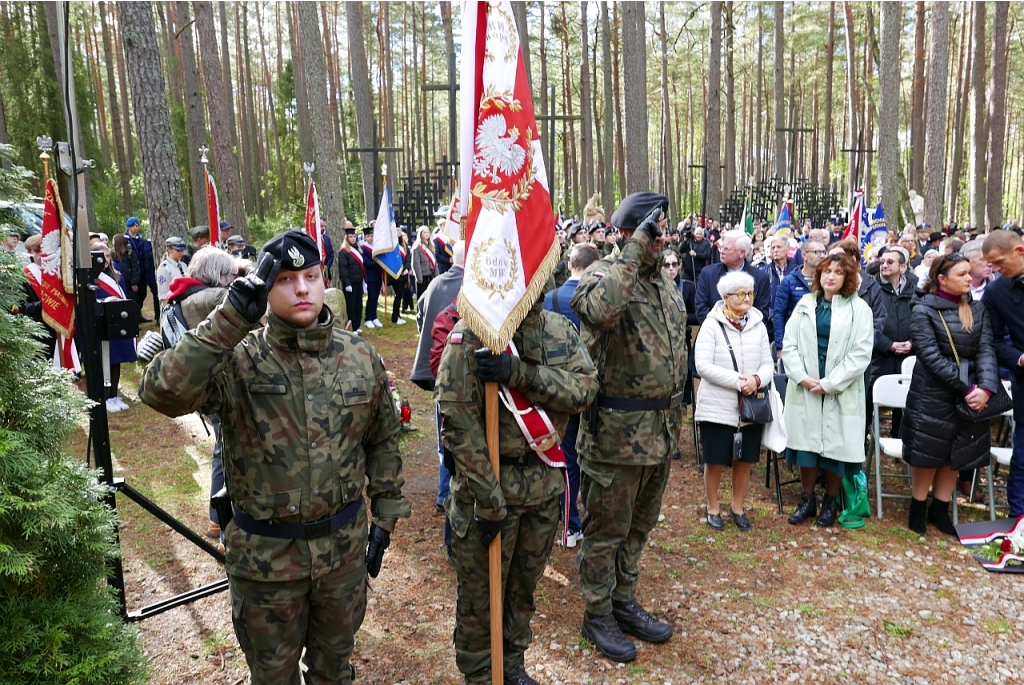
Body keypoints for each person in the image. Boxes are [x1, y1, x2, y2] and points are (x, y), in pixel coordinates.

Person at [139, 230, 410, 685]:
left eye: (310, 275)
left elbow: (382, 439)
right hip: (266, 565)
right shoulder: (238, 356)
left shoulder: (359, 355)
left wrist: (385, 517)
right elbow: (160, 391)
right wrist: (228, 320)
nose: (302, 288)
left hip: (342, 556)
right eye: (285, 279)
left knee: (334, 672)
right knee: (272, 677)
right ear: (266, 287)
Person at [437, 288, 597, 685]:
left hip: (542, 487)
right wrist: (489, 499)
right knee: (480, 599)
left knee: (522, 592)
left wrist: (521, 375)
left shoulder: (559, 330)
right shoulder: (470, 335)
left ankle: (512, 666)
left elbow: (585, 390)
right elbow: (458, 426)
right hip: (486, 493)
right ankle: (479, 674)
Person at [572, 192, 687, 663]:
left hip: (658, 435)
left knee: (638, 528)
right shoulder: (603, 274)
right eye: (654, 232)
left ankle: (623, 600)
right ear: (631, 234)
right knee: (606, 530)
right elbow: (598, 311)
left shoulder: (664, 282)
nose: (663, 240)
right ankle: (596, 612)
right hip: (614, 438)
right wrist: (633, 249)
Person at [901, 254, 998, 536]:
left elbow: (986, 350)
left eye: (969, 273)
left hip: (972, 394)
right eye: (962, 274)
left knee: (959, 449)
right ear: (942, 279)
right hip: (933, 392)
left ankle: (940, 509)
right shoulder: (923, 308)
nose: (970, 278)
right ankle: (918, 507)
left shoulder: (976, 310)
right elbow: (929, 355)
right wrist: (967, 387)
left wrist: (986, 389)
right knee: (929, 451)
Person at [781, 253, 873, 527]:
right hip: (807, 386)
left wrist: (830, 384)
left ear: (847, 278)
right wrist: (804, 379)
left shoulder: (859, 309)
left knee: (836, 447)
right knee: (806, 446)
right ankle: (807, 499)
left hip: (840, 389)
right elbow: (790, 345)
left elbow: (860, 353)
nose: (830, 276)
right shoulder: (806, 305)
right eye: (826, 271)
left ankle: (830, 501)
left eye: (838, 272)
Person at [165, 246, 242, 542]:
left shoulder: (181, 295)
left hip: (201, 384)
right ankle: (223, 524)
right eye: (232, 275)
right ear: (220, 276)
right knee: (230, 451)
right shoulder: (214, 296)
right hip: (221, 384)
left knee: (223, 449)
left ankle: (215, 519)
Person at [694, 271, 774, 531]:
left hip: (749, 406)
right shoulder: (711, 325)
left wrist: (756, 380)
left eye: (750, 293)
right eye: (741, 294)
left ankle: (738, 506)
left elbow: (767, 363)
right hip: (717, 405)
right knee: (715, 459)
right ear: (725, 297)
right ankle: (712, 506)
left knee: (745, 459)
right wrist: (738, 381)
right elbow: (702, 366)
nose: (747, 298)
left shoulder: (758, 324)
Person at [410, 241, 466, 560]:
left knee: (444, 438)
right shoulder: (469, 289)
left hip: (442, 379)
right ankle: (447, 495)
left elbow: (420, 313)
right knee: (451, 442)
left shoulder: (434, 284)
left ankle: (443, 494)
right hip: (450, 376)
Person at [544, 242, 601, 548]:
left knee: (566, 460)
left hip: (558, 387)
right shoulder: (599, 299)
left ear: (569, 265)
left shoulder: (551, 298)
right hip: (593, 389)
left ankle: (569, 524)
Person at [982, 230, 1024, 518]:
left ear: (1019, 251)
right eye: (991, 265)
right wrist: (1019, 358)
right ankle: (1019, 521)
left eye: (998, 262)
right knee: (1022, 458)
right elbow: (991, 340)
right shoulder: (996, 291)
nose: (995, 269)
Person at [870, 246, 918, 435]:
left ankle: (899, 436)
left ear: (903, 266)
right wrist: (887, 344)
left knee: (907, 397)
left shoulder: (915, 290)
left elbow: (922, 320)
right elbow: (867, 323)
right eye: (882, 262)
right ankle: (865, 439)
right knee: (869, 395)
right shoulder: (871, 288)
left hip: (908, 353)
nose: (884, 265)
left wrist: (913, 342)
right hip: (879, 354)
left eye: (890, 262)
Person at [695, 229, 772, 329]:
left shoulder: (760, 278)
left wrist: (740, 331)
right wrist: (724, 331)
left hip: (747, 338)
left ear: (742, 253)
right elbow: (701, 309)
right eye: (721, 248)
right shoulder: (708, 274)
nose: (721, 252)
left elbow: (761, 314)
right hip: (715, 336)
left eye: (727, 249)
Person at [93, 240, 138, 413]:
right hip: (102, 326)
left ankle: (113, 394)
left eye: (108, 256)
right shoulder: (91, 279)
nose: (106, 260)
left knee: (116, 360)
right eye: (102, 257)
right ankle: (105, 396)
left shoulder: (117, 276)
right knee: (106, 360)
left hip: (117, 324)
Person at [773, 239, 827, 353]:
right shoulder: (789, 281)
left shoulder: (828, 280)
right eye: (817, 252)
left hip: (822, 343)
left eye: (824, 252)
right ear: (804, 255)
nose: (822, 256)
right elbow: (779, 314)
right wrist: (780, 346)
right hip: (796, 343)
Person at [125, 216, 157, 322]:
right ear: (128, 227)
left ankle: (138, 314)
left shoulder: (142, 240)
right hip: (132, 272)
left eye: (137, 225)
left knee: (142, 293)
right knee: (133, 295)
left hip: (143, 271)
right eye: (133, 225)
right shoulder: (125, 240)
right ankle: (133, 318)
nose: (135, 228)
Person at [337, 224, 365, 333]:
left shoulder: (358, 250)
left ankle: (357, 326)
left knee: (359, 305)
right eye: (351, 237)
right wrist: (347, 283)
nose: (353, 239)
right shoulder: (344, 252)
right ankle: (351, 327)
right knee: (351, 306)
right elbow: (343, 268)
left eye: (354, 237)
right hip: (350, 283)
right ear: (347, 238)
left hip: (358, 282)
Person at [156, 236, 188, 308]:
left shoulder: (183, 265)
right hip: (172, 306)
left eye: (182, 250)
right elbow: (164, 295)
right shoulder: (164, 268)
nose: (181, 253)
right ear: (169, 249)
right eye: (178, 250)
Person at [412, 225, 438, 300]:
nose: (427, 234)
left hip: (430, 274)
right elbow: (416, 264)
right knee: (421, 296)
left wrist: (437, 275)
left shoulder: (430, 246)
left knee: (429, 295)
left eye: (428, 232)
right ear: (420, 234)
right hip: (422, 275)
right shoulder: (417, 247)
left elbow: (434, 261)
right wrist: (419, 278)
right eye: (424, 232)